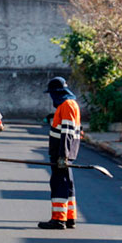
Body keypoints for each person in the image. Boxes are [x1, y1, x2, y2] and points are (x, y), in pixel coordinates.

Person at [39, 77, 81, 230]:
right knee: (67, 183)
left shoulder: (67, 105)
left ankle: (58, 219)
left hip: (61, 154)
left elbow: (67, 133)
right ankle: (69, 218)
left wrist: (63, 156)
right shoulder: (68, 104)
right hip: (64, 153)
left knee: (59, 184)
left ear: (57, 92)